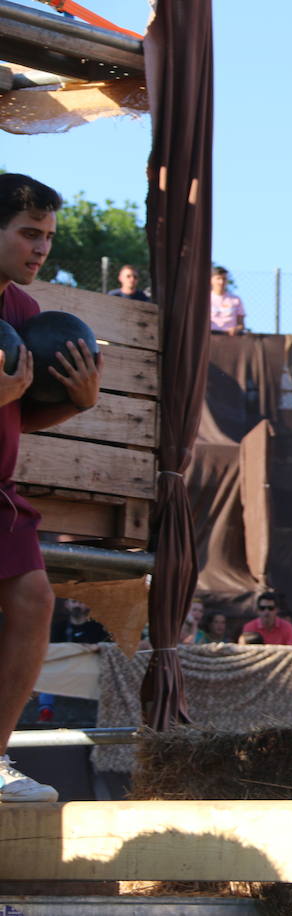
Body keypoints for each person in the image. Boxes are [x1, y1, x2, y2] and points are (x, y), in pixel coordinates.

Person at [0, 174, 103, 803]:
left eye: (47, 237)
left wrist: (74, 405)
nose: (40, 249)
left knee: (35, 602)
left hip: (0, 494)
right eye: (28, 234)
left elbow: (17, 413)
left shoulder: (27, 314)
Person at [207, 265, 246, 336]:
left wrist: (236, 329)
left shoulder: (236, 299)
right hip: (211, 336)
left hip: (230, 338)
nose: (221, 282)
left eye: (224, 279)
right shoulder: (206, 299)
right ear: (211, 280)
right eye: (218, 278)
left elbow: (241, 325)